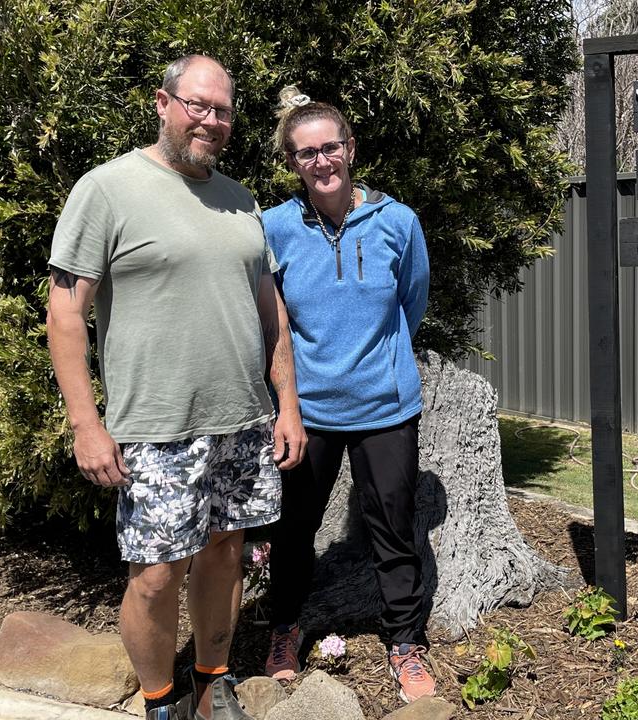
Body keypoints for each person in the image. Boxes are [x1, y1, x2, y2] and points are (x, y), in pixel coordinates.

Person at [46, 56, 306, 720]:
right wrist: (86, 423)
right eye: (198, 105)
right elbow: (66, 312)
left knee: (225, 552)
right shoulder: (107, 190)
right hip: (155, 425)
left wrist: (288, 407)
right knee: (156, 574)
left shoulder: (240, 199)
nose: (211, 120)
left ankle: (212, 679)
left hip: (243, 420)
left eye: (222, 110)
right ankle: (160, 700)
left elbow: (270, 312)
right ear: (163, 103)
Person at [260, 87, 433, 703]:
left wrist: (378, 361)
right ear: (294, 162)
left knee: (394, 529)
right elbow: (272, 319)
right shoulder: (274, 228)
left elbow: (411, 301)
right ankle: (284, 629)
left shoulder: (397, 222)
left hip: (386, 409)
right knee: (294, 528)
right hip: (309, 414)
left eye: (330, 147)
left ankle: (406, 644)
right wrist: (289, 403)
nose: (321, 161)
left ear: (350, 149)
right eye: (306, 153)